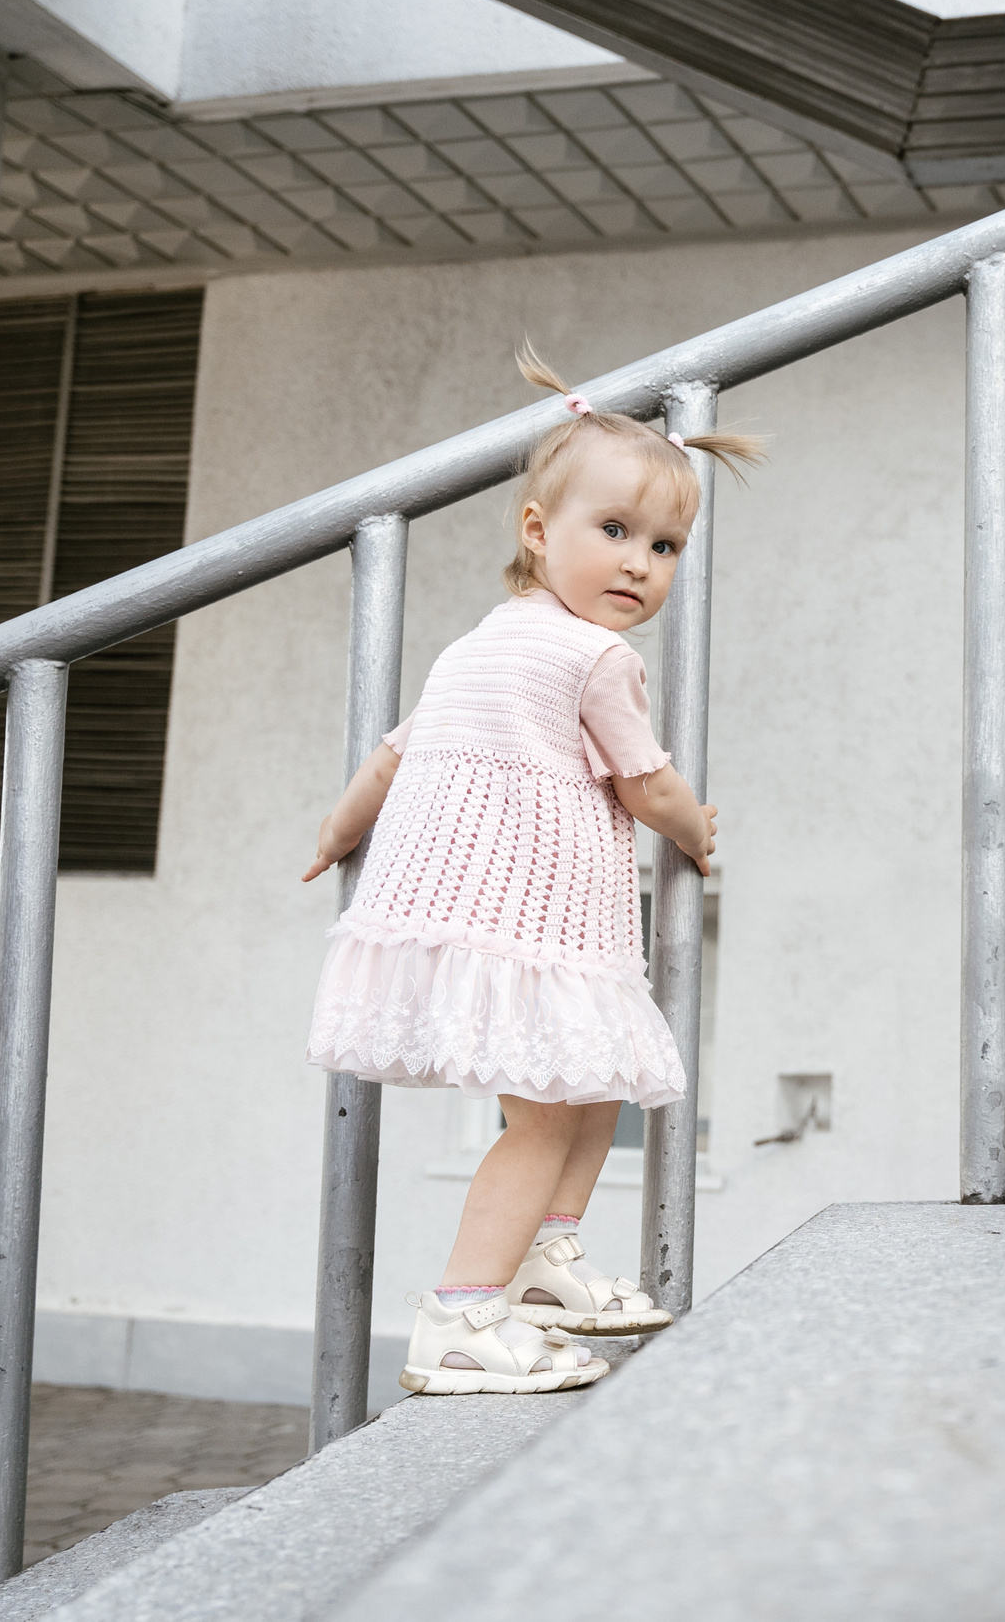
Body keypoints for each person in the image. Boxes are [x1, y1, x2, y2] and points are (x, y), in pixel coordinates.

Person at [302, 345, 763, 1395]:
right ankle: (463, 1316)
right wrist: (697, 833)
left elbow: (393, 751)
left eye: (665, 544)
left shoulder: (479, 644)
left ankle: (549, 1265)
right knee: (549, 1115)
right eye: (614, 532)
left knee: (587, 1087)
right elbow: (648, 785)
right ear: (536, 530)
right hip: (534, 924)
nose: (641, 564)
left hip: (512, 922)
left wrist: (337, 832)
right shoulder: (598, 659)